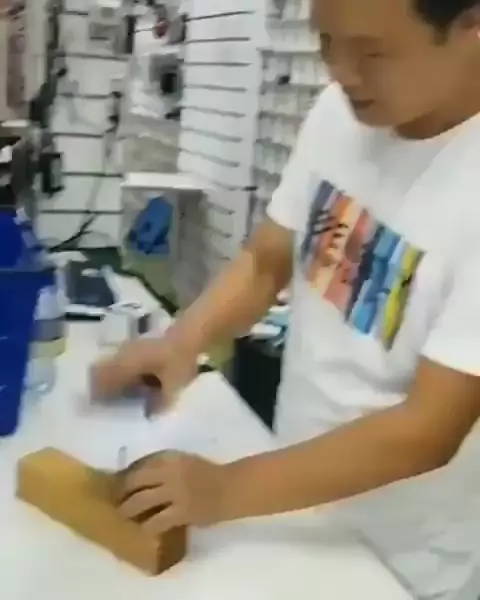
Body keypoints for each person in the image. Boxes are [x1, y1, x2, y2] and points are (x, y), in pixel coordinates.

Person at [94, 1, 480, 598]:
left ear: (470, 26)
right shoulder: (340, 111)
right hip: (282, 501)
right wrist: (182, 343)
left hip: (397, 562)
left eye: (372, 52)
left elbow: (427, 430)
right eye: (326, 42)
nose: (342, 74)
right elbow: (266, 260)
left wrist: (225, 489)